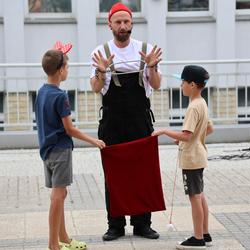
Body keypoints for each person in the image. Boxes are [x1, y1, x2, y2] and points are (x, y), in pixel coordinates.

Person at [90, 2, 162, 241]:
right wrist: (101, 72)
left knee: (143, 173)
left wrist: (151, 66)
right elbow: (95, 88)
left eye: (127, 22)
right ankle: (115, 225)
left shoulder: (145, 49)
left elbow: (157, 84)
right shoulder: (100, 52)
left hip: (140, 121)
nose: (123, 26)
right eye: (118, 22)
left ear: (132, 23)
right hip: (112, 122)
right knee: (113, 175)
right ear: (109, 24)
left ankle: (143, 224)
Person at [36, 43, 106, 250]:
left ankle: (64, 237)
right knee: (58, 197)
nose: (68, 70)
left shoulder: (41, 91)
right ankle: (53, 244)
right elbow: (70, 129)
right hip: (60, 150)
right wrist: (94, 141)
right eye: (67, 67)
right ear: (60, 70)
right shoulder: (60, 96)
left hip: (47, 150)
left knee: (61, 194)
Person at [152, 65, 214, 249]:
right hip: (199, 156)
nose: (181, 86)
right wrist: (189, 139)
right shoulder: (202, 103)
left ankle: (198, 238)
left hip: (192, 159)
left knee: (194, 197)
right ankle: (205, 233)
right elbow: (208, 129)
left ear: (192, 85)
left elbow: (186, 134)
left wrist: (164, 131)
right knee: (200, 195)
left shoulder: (193, 107)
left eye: (183, 82)